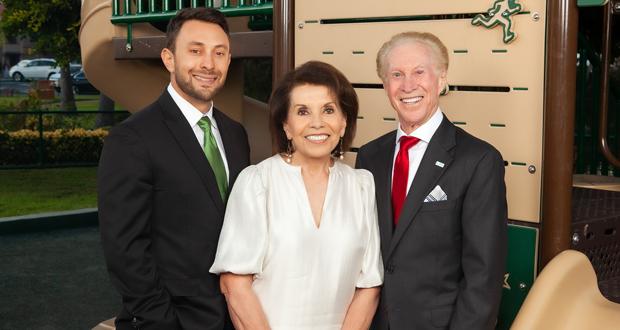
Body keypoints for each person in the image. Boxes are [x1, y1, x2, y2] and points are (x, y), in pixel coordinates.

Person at [97, 8, 250, 329]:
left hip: (235, 315)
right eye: (195, 51)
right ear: (169, 58)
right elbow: (125, 250)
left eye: (219, 53)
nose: (209, 63)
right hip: (173, 319)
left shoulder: (235, 134)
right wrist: (162, 322)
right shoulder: (132, 138)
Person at [210, 61, 383, 329]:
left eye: (328, 110)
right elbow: (234, 284)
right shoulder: (258, 182)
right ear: (286, 126)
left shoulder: (362, 186)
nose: (317, 123)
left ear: (343, 122)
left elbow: (369, 284)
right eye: (303, 112)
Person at [355, 32, 507, 329]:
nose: (408, 85)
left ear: (441, 78)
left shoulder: (478, 160)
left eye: (419, 72)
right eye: (396, 74)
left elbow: (483, 276)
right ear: (385, 85)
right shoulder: (370, 156)